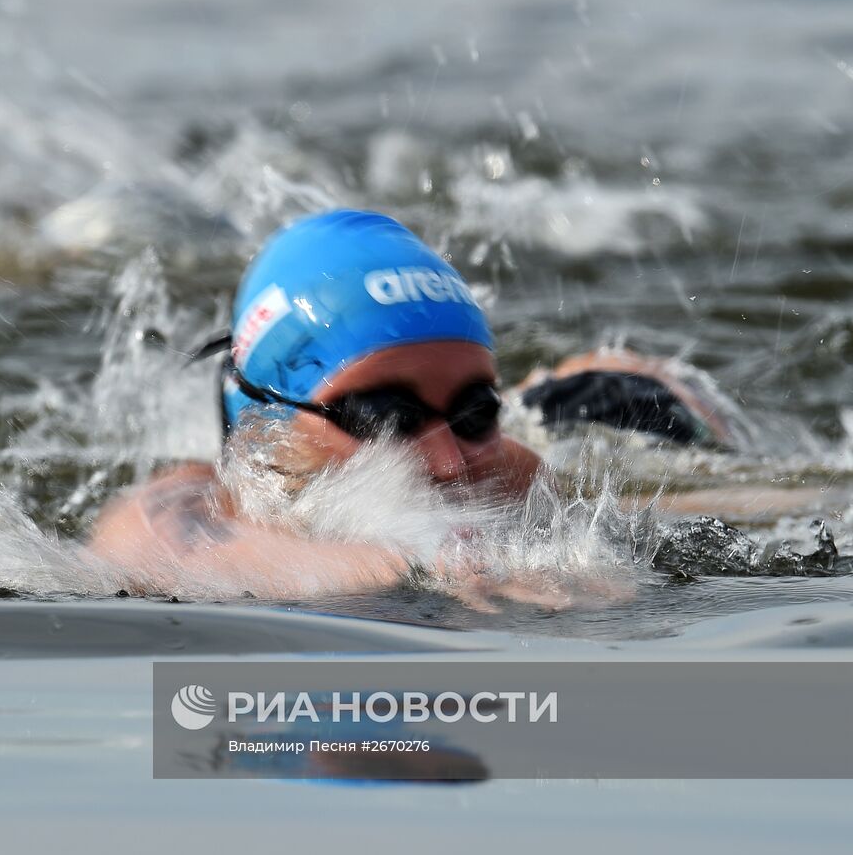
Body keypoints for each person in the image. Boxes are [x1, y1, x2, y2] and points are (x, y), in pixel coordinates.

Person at [87, 209, 738, 607]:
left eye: (476, 408)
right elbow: (177, 551)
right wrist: (416, 563)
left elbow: (745, 505)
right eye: (382, 416)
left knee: (648, 409)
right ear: (265, 413)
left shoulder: (509, 474)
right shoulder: (182, 504)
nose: (450, 460)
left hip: (595, 411)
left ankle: (584, 378)